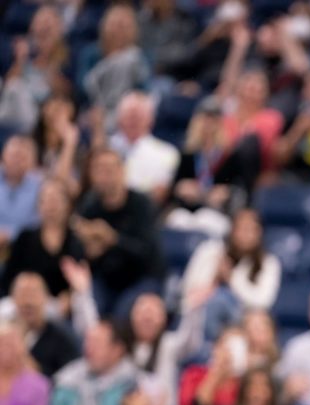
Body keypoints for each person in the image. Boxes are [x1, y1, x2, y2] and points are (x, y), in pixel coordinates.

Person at [74, 148, 163, 319]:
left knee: (124, 314)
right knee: (87, 307)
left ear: (122, 171)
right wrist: (91, 250)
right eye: (98, 170)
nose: (103, 176)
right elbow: (79, 250)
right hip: (104, 278)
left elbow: (147, 252)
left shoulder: (141, 204)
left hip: (141, 277)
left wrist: (112, 239)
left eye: (109, 170)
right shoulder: (90, 205)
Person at [40, 320, 138, 405]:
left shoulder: (133, 383)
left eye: (96, 343)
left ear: (117, 350)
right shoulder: (69, 379)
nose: (88, 348)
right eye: (87, 341)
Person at [165, 96, 258, 237]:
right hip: (188, 210)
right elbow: (174, 187)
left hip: (217, 212)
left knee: (208, 221)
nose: (208, 124)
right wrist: (181, 188)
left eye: (213, 120)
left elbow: (243, 190)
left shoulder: (230, 156)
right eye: (204, 119)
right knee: (177, 220)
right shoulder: (187, 155)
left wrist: (228, 192)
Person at [181, 209, 282, 335]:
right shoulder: (210, 251)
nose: (246, 234)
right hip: (199, 317)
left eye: (251, 229)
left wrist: (231, 278)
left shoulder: (269, 263)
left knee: (222, 300)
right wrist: (214, 278)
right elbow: (188, 290)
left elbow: (263, 301)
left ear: (259, 233)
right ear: (232, 230)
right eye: (241, 228)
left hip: (243, 324)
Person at [0, 179, 84, 300]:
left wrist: (69, 297)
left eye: (56, 200)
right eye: (46, 200)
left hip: (60, 307)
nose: (51, 206)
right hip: (23, 302)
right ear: (38, 205)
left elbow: (80, 280)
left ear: (68, 205)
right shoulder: (25, 237)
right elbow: (9, 277)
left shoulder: (75, 241)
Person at [104, 91, 181, 205]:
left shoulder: (167, 153)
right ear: (119, 117)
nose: (133, 121)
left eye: (138, 116)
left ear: (151, 119)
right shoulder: (104, 148)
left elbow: (159, 193)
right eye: (129, 115)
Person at [81, 4, 150, 125]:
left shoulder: (137, 56)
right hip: (94, 110)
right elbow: (82, 86)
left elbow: (143, 88)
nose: (119, 31)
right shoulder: (90, 54)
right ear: (104, 26)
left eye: (124, 26)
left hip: (127, 112)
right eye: (115, 25)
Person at [7, 272, 79, 378]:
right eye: (22, 294)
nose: (27, 302)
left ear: (46, 298)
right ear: (13, 299)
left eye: (33, 294)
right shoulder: (4, 334)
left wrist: (23, 357)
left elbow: (70, 380)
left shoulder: (63, 338)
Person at [0, 321, 50, 405]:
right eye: (1, 342)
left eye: (11, 342)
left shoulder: (38, 386)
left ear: (23, 346)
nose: (5, 348)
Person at [0, 135, 44, 247]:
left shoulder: (39, 187)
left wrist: (11, 234)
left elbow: (38, 222)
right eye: (14, 155)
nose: (17, 161)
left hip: (23, 246)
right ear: (3, 156)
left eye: (22, 157)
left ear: (31, 162)